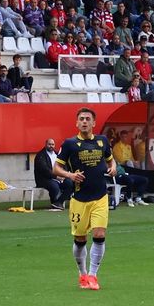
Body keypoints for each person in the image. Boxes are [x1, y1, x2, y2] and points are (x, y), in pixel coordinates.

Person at [51, 108, 115, 291]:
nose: (85, 121)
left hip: (100, 197)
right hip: (79, 199)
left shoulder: (102, 141)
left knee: (99, 234)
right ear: (76, 123)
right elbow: (56, 169)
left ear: (94, 123)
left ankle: (93, 276)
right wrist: (70, 175)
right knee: (80, 238)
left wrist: (112, 168)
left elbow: (111, 160)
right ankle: (82, 274)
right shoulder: (70, 144)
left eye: (88, 119)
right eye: (81, 119)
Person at [33, 137, 66, 209]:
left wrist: (65, 175)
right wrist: (57, 177)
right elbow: (44, 170)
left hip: (58, 178)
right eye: (49, 144)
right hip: (44, 179)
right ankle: (54, 203)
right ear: (45, 145)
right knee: (54, 186)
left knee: (70, 184)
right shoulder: (40, 155)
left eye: (53, 144)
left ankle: (59, 202)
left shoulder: (57, 154)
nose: (51, 146)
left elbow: (64, 165)